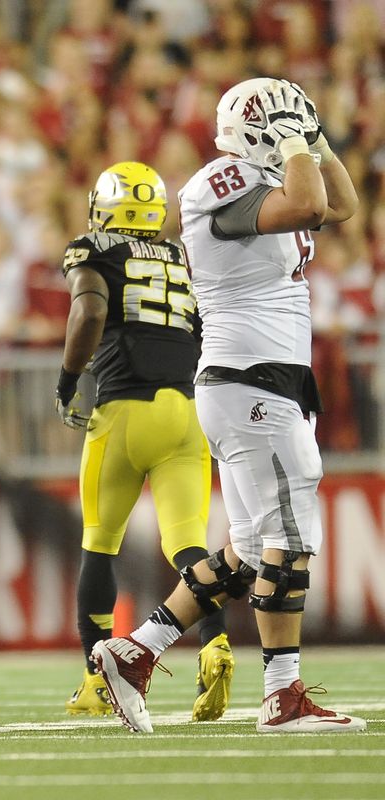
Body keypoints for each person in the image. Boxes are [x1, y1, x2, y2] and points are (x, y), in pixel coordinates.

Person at [92, 78, 365, 733]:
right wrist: (295, 140)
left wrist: (315, 138)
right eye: (281, 123)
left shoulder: (272, 176)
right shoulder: (223, 180)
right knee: (289, 539)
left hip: (260, 380)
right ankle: (283, 696)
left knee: (246, 548)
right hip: (251, 377)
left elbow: (341, 205)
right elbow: (305, 204)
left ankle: (136, 652)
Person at [55, 161, 231, 721]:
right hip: (189, 411)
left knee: (99, 542)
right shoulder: (183, 256)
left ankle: (95, 679)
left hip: (127, 409)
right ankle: (215, 646)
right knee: (188, 546)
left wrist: (66, 380)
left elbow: (88, 310)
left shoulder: (94, 249)